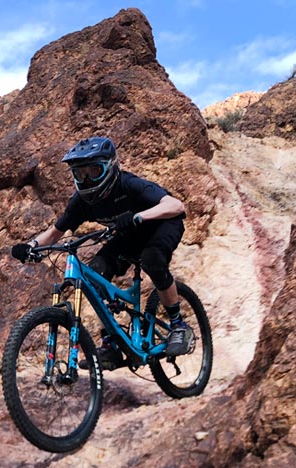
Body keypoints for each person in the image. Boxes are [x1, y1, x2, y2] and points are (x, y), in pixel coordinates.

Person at [11, 136, 192, 369]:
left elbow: (176, 206)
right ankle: (111, 346)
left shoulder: (129, 184)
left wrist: (139, 216)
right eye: (80, 174)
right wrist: (31, 246)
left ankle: (178, 326)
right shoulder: (81, 202)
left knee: (152, 259)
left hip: (162, 225)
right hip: (128, 235)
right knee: (96, 275)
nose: (86, 179)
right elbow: (56, 232)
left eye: (93, 171)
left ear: (111, 167)